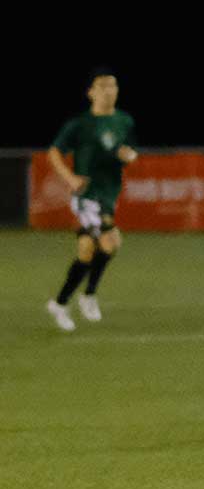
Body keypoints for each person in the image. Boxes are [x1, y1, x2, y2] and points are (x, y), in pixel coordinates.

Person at [45, 68, 138, 332]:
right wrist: (70, 178)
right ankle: (88, 296)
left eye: (113, 85)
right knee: (111, 241)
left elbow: (128, 151)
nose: (109, 90)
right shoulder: (80, 124)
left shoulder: (124, 121)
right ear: (91, 92)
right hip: (87, 195)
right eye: (102, 86)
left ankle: (61, 303)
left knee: (87, 251)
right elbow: (54, 152)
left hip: (109, 194)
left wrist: (129, 156)